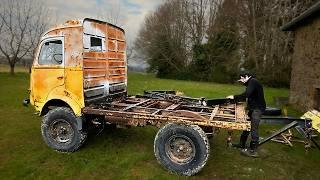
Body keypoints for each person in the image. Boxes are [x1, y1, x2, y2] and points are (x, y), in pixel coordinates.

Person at [227, 71, 266, 157]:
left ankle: (253, 151)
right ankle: (242, 144)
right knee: (247, 125)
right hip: (253, 108)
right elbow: (248, 96)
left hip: (257, 109)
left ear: (247, 76)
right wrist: (235, 100)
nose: (241, 81)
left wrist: (234, 97)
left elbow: (247, 94)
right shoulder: (251, 83)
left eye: (241, 79)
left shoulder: (253, 81)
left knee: (253, 128)